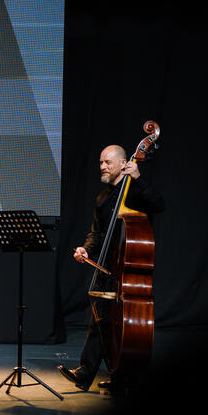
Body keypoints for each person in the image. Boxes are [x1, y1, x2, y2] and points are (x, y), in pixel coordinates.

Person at [58, 144, 165, 393]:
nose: (103, 167)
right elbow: (97, 233)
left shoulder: (135, 192)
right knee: (102, 321)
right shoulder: (103, 198)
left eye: (108, 162)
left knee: (122, 325)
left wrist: (138, 179)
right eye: (100, 162)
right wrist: (86, 249)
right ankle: (103, 375)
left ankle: (111, 375)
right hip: (108, 266)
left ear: (123, 163)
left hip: (128, 269)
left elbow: (158, 204)